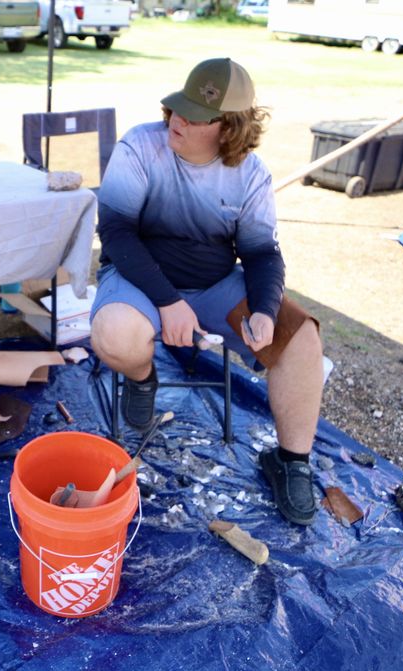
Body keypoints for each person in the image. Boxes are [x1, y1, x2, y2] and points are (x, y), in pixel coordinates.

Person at [89, 57, 324, 526]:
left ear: (230, 128)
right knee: (115, 334)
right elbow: (115, 231)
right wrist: (168, 302)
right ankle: (141, 378)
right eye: (178, 108)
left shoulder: (251, 173)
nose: (177, 119)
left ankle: (291, 461)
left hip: (215, 284)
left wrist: (264, 308)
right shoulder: (140, 145)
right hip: (139, 278)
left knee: (302, 342)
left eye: (196, 116)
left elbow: (261, 253)